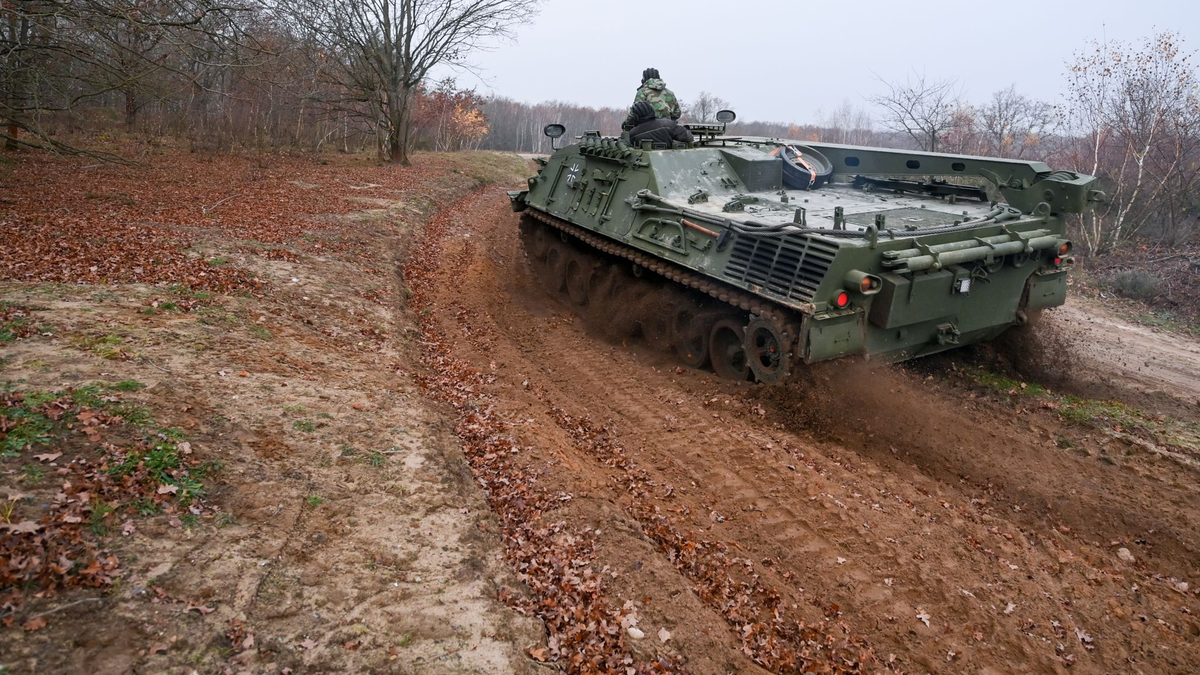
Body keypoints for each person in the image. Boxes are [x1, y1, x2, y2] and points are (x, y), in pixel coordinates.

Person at [626, 101, 694, 147]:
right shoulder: (667, 124)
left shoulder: (633, 134)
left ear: (636, 117)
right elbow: (689, 137)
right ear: (651, 110)